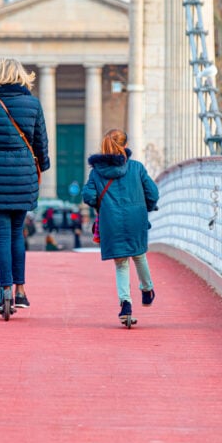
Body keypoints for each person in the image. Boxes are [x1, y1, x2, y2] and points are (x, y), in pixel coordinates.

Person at [0, 58, 50, 315]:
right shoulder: (33, 104)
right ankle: (21, 290)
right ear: (22, 76)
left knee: (1, 234)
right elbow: (41, 144)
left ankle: (5, 290)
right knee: (17, 234)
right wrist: (41, 167)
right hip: (23, 174)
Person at [82, 129, 159, 325]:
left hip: (111, 221)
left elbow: (88, 196)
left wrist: (102, 205)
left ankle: (125, 304)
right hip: (136, 218)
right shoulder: (136, 168)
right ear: (125, 146)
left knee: (121, 263)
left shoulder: (96, 172)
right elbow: (153, 193)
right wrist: (145, 207)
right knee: (139, 254)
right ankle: (147, 289)